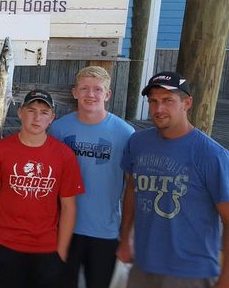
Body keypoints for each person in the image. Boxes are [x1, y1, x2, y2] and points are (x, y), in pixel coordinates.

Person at [117, 71, 229, 287]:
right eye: (153, 101)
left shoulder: (212, 155)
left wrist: (225, 280)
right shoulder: (138, 142)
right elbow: (132, 188)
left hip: (190, 273)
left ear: (187, 103)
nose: (158, 109)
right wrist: (125, 239)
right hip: (143, 264)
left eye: (168, 101)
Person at [0, 89, 84, 288]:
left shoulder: (64, 155)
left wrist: (60, 251)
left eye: (44, 112)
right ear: (20, 112)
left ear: (52, 118)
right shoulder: (1, 149)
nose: (37, 117)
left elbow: (69, 206)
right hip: (8, 246)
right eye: (31, 110)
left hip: (47, 248)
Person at [50, 66, 134, 288]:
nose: (91, 94)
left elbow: (133, 189)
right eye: (84, 88)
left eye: (98, 89)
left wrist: (127, 236)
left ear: (107, 95)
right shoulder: (58, 130)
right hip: (64, 228)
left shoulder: (125, 133)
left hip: (104, 232)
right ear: (74, 92)